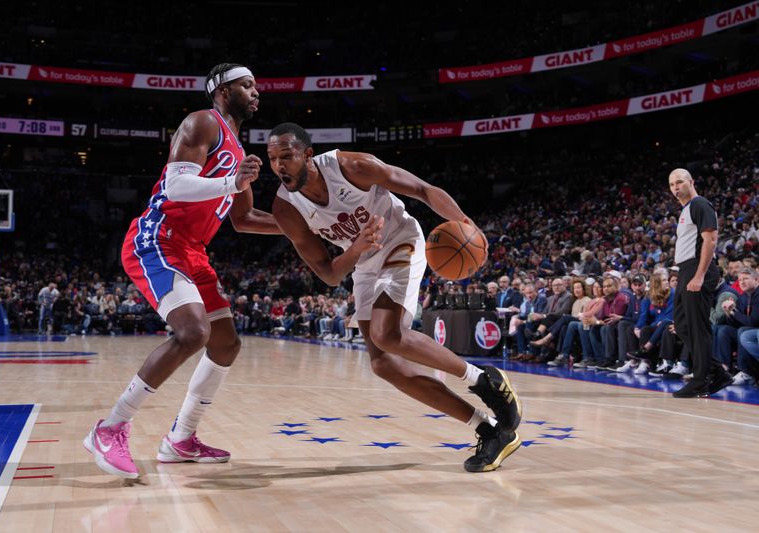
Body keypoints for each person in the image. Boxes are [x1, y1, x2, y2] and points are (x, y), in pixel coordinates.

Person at [266, 122, 522, 473]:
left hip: (401, 238)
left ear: (307, 155)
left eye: (286, 156)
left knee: (387, 334)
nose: (279, 165)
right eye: (272, 158)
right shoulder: (286, 209)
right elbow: (328, 273)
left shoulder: (352, 166)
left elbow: (422, 189)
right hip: (364, 259)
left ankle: (483, 380)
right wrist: (356, 248)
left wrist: (465, 223)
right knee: (383, 363)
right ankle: (489, 429)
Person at [84, 63, 280, 478]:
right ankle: (110, 428)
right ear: (223, 90)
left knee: (225, 344)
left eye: (256, 85)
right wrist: (233, 182)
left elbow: (243, 220)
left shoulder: (239, 152)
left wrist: (305, 227)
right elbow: (176, 187)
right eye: (248, 85)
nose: (256, 91)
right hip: (159, 239)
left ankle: (180, 439)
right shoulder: (202, 123)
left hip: (194, 251)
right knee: (194, 333)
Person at [668, 168, 732, 398]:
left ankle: (699, 380)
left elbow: (711, 240)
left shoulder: (699, 204)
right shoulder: (686, 210)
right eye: (672, 184)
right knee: (683, 325)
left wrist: (700, 275)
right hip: (686, 269)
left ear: (691, 181)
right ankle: (716, 372)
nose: (676, 187)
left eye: (679, 182)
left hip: (697, 268)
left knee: (698, 327)